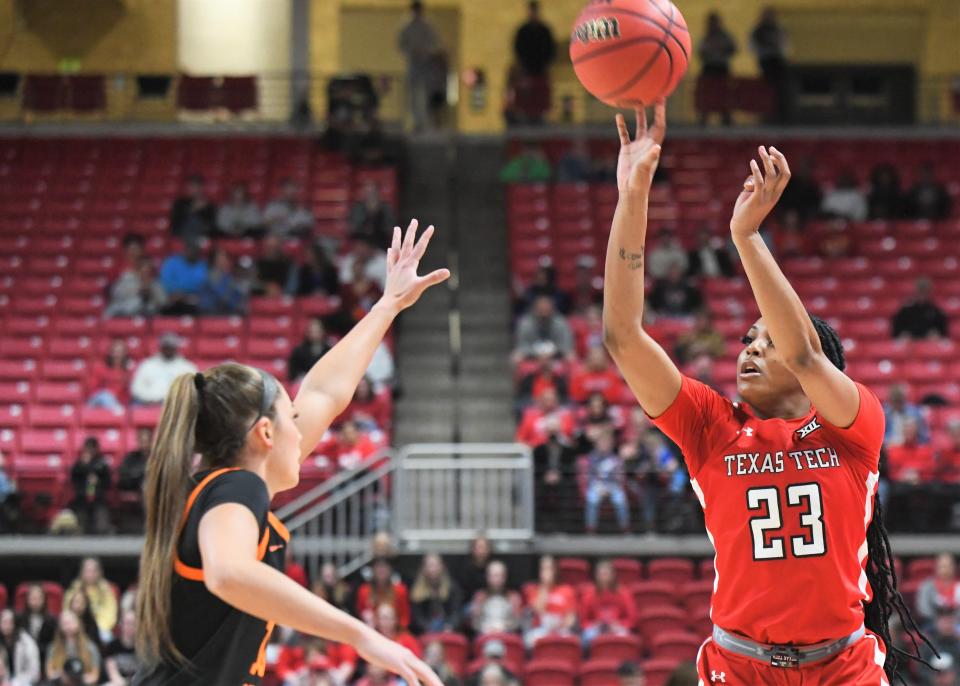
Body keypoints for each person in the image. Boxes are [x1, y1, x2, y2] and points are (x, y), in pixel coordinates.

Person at [602, 101, 930, 683]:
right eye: (747, 339)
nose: (749, 348)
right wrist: (633, 195)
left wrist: (746, 235)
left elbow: (803, 352)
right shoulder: (711, 426)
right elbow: (623, 336)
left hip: (843, 666)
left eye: (765, 339)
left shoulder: (855, 424)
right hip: (739, 665)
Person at [131, 219, 448, 685]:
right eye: (290, 418)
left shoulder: (221, 484)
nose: (302, 429)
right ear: (264, 433)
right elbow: (229, 573)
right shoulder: (234, 486)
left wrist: (388, 305)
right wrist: (361, 635)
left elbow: (325, 391)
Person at [510, 1, 556, 127]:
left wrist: (545, 65)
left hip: (540, 71)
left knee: (539, 100)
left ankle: (539, 121)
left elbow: (550, 50)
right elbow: (518, 50)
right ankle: (527, 121)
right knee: (527, 101)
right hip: (527, 71)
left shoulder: (544, 31)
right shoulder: (523, 31)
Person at [397, 1, 440, 132]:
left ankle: (426, 123)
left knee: (426, 93)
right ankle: (417, 123)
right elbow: (401, 44)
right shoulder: (406, 27)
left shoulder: (428, 26)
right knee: (413, 94)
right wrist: (411, 52)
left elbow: (434, 43)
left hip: (426, 64)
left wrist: (425, 52)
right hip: (413, 64)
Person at [532, 418, 577, 533]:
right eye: (550, 430)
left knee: (568, 491)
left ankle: (564, 528)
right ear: (546, 431)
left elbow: (570, 468)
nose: (553, 433)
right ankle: (539, 528)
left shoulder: (567, 450)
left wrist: (558, 474)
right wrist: (546, 475)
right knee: (536, 491)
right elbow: (536, 467)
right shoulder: (539, 450)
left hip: (562, 479)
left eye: (555, 430)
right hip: (543, 479)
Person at [522, 556, 577, 648]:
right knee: (528, 640)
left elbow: (571, 618)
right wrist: (545, 586)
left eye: (549, 568)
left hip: (561, 629)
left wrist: (559, 626)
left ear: (555, 570)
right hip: (542, 629)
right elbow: (538, 610)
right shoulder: (534, 589)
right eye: (544, 569)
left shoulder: (567, 590)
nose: (547, 572)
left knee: (572, 641)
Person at [584, 428, 630, 534]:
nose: (604, 445)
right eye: (602, 443)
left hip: (613, 486)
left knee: (620, 499)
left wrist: (612, 486)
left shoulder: (615, 459)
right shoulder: (592, 458)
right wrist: (599, 488)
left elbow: (620, 477)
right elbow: (589, 476)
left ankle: (625, 529)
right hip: (596, 486)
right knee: (592, 499)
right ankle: (590, 529)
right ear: (597, 444)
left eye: (607, 443)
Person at [580, 560, 635, 648]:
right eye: (600, 574)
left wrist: (619, 624)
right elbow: (583, 620)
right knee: (586, 637)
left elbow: (631, 619)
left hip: (617, 626)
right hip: (596, 628)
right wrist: (594, 625)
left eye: (606, 574)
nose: (603, 577)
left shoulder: (623, 593)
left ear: (613, 575)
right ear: (596, 576)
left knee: (626, 637)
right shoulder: (589, 594)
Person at [130, 334, 198, 405]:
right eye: (166, 347)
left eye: (171, 347)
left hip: (177, 406)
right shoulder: (147, 365)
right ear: (161, 347)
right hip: (149, 404)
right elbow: (136, 388)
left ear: (176, 348)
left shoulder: (187, 366)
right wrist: (150, 400)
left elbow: (194, 389)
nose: (168, 350)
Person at [749, 7, 789, 123]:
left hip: (778, 61)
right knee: (766, 90)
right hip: (765, 62)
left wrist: (776, 44)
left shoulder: (779, 30)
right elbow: (752, 47)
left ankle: (781, 115)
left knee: (780, 89)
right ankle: (767, 115)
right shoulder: (758, 31)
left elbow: (785, 46)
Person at [696, 12, 737, 126]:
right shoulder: (706, 37)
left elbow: (733, 49)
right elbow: (700, 52)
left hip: (721, 68)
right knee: (707, 94)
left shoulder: (725, 36)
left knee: (724, 94)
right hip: (709, 68)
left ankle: (726, 118)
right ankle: (703, 118)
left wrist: (721, 49)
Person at [65, 557, 119, 643]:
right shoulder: (73, 590)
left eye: (93, 571)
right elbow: (67, 612)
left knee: (107, 637)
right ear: (81, 572)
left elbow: (110, 614)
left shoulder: (107, 590)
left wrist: (96, 628)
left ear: (99, 572)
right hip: (76, 627)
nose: (90, 574)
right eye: (87, 571)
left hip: (101, 628)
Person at [409, 554, 463, 635]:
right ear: (424, 568)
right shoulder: (416, 590)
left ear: (442, 567)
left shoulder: (452, 587)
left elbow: (456, 612)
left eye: (435, 565)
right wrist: (426, 628)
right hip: (425, 630)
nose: (433, 569)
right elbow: (416, 617)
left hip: (448, 628)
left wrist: (450, 626)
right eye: (430, 565)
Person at [45, 610, 101, 686]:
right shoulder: (53, 648)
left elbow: (95, 676)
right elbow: (50, 674)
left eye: (70, 622)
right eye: (65, 623)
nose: (68, 626)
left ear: (78, 624)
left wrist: (79, 678)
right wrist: (62, 677)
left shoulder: (90, 647)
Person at [512, 295, 574, 363]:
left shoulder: (560, 322)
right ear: (535, 310)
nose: (544, 313)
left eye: (547, 310)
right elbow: (522, 345)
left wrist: (552, 353)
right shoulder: (526, 323)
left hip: (555, 354)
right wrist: (537, 354)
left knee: (571, 356)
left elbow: (566, 344)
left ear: (552, 310)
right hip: (532, 355)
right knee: (516, 357)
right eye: (541, 310)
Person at [70, 438, 112, 535]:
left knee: (101, 526)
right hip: (82, 499)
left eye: (92, 448)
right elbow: (74, 480)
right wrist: (85, 466)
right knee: (80, 524)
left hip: (98, 498)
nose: (89, 451)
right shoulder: (78, 465)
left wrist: (98, 482)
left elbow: (108, 483)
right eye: (87, 448)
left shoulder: (102, 465)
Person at [469, 561, 522, 636]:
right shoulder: (480, 596)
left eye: (499, 576)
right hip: (485, 635)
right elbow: (474, 622)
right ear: (487, 577)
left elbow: (518, 621)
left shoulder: (514, 597)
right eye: (493, 576)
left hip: (507, 635)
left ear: (505, 577)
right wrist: (485, 628)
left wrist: (504, 627)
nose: (496, 579)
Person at [356, 557, 411, 628]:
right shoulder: (364, 590)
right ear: (372, 569)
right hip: (371, 630)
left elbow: (405, 618)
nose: (381, 570)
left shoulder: (400, 590)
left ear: (391, 569)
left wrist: (396, 630)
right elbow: (361, 614)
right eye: (378, 567)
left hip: (395, 631)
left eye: (385, 567)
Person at [158, 239, 207, 315]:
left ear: (197, 253)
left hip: (192, 298)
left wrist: (183, 294)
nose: (191, 252)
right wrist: (175, 291)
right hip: (171, 296)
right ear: (184, 250)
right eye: (189, 250)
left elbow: (200, 284)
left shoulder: (202, 265)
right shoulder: (171, 262)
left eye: (194, 250)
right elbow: (165, 281)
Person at [87, 339, 134, 412]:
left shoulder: (128, 372)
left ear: (125, 354)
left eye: (120, 352)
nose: (117, 355)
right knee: (106, 396)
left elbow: (128, 396)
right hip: (97, 402)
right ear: (110, 353)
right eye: (114, 351)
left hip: (119, 404)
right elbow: (93, 391)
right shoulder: (100, 368)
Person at [198, 248, 247, 315]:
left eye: (225, 258)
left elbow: (238, 301)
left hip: (228, 313)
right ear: (214, 260)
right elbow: (218, 297)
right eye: (220, 258)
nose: (223, 261)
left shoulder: (231, 278)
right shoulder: (207, 275)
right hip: (209, 313)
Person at [916, 554, 960, 629]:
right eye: (943, 566)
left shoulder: (958, 585)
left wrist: (951, 622)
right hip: (933, 624)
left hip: (956, 623)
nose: (946, 569)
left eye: (949, 566)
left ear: (954, 568)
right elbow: (923, 607)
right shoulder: (927, 586)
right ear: (936, 568)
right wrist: (938, 621)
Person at [0, 608, 41, 686]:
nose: (6, 626)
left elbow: (34, 671)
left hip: (22, 681)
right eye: (3, 622)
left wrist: (15, 682)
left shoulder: (26, 642)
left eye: (9, 622)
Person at [16, 584, 56, 663]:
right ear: (27, 600)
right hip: (24, 658)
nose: (35, 602)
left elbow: (52, 643)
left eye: (39, 599)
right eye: (33, 599)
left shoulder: (51, 620)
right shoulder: (19, 618)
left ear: (44, 600)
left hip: (44, 658)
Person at [170, 174, 216, 240]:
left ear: (202, 188)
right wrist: (193, 209)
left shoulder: (209, 206)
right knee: (192, 224)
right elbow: (175, 223)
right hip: (182, 233)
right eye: (191, 187)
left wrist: (202, 210)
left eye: (196, 187)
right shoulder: (180, 203)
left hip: (201, 234)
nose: (194, 189)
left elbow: (211, 226)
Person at [776, 156, 821, 224]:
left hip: (802, 218)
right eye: (803, 167)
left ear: (811, 170)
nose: (804, 170)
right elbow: (779, 199)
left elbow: (813, 207)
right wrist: (786, 212)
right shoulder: (789, 183)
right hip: (785, 213)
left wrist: (799, 215)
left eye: (807, 168)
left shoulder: (813, 188)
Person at [350, 182, 396, 247]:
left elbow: (389, 229)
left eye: (372, 192)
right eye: (367, 192)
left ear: (377, 193)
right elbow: (352, 228)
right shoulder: (358, 208)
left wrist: (377, 213)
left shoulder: (385, 208)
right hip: (361, 246)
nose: (369, 195)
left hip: (381, 245)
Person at [288, 318, 334, 383]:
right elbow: (293, 373)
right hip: (304, 383)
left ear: (323, 331)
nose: (315, 334)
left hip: (325, 382)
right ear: (307, 333)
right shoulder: (299, 351)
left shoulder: (330, 350)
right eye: (312, 331)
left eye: (317, 331)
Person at [104, 609, 140, 686]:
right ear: (121, 624)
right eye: (127, 623)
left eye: (133, 624)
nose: (130, 627)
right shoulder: (112, 645)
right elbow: (112, 673)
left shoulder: (144, 646)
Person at [460, 535, 493, 604]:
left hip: (491, 601)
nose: (481, 551)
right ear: (473, 549)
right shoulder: (465, 568)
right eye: (479, 547)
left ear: (489, 549)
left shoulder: (493, 567)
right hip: (470, 603)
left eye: (484, 547)